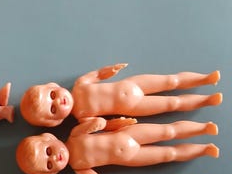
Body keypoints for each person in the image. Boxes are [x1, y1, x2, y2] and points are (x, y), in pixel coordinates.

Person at [16, 118, 219, 174]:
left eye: (48, 151)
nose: (55, 158)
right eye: (49, 164)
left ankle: (203, 128)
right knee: (169, 154)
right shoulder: (78, 167)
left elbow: (99, 123)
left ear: (50, 138)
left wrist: (101, 123)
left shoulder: (75, 135)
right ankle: (204, 149)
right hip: (131, 157)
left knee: (168, 130)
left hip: (129, 135)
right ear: (52, 173)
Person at [20, 63, 222, 127]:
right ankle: (207, 100)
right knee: (172, 103)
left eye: (52, 95)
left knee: (171, 80)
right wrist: (120, 123)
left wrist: (109, 71)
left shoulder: (80, 84)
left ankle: (205, 79)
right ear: (55, 121)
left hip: (131, 84)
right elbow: (105, 125)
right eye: (53, 108)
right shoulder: (82, 117)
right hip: (133, 107)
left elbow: (97, 74)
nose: (59, 101)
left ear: (53, 86)